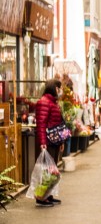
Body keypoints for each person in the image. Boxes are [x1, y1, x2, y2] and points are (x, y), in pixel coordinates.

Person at [34, 79, 66, 208]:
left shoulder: (54, 102)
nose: (60, 91)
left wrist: (61, 141)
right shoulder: (44, 102)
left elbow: (59, 123)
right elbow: (41, 124)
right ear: (54, 88)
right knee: (46, 170)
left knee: (52, 170)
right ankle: (41, 198)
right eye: (59, 88)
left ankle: (48, 195)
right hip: (47, 141)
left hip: (54, 140)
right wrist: (42, 142)